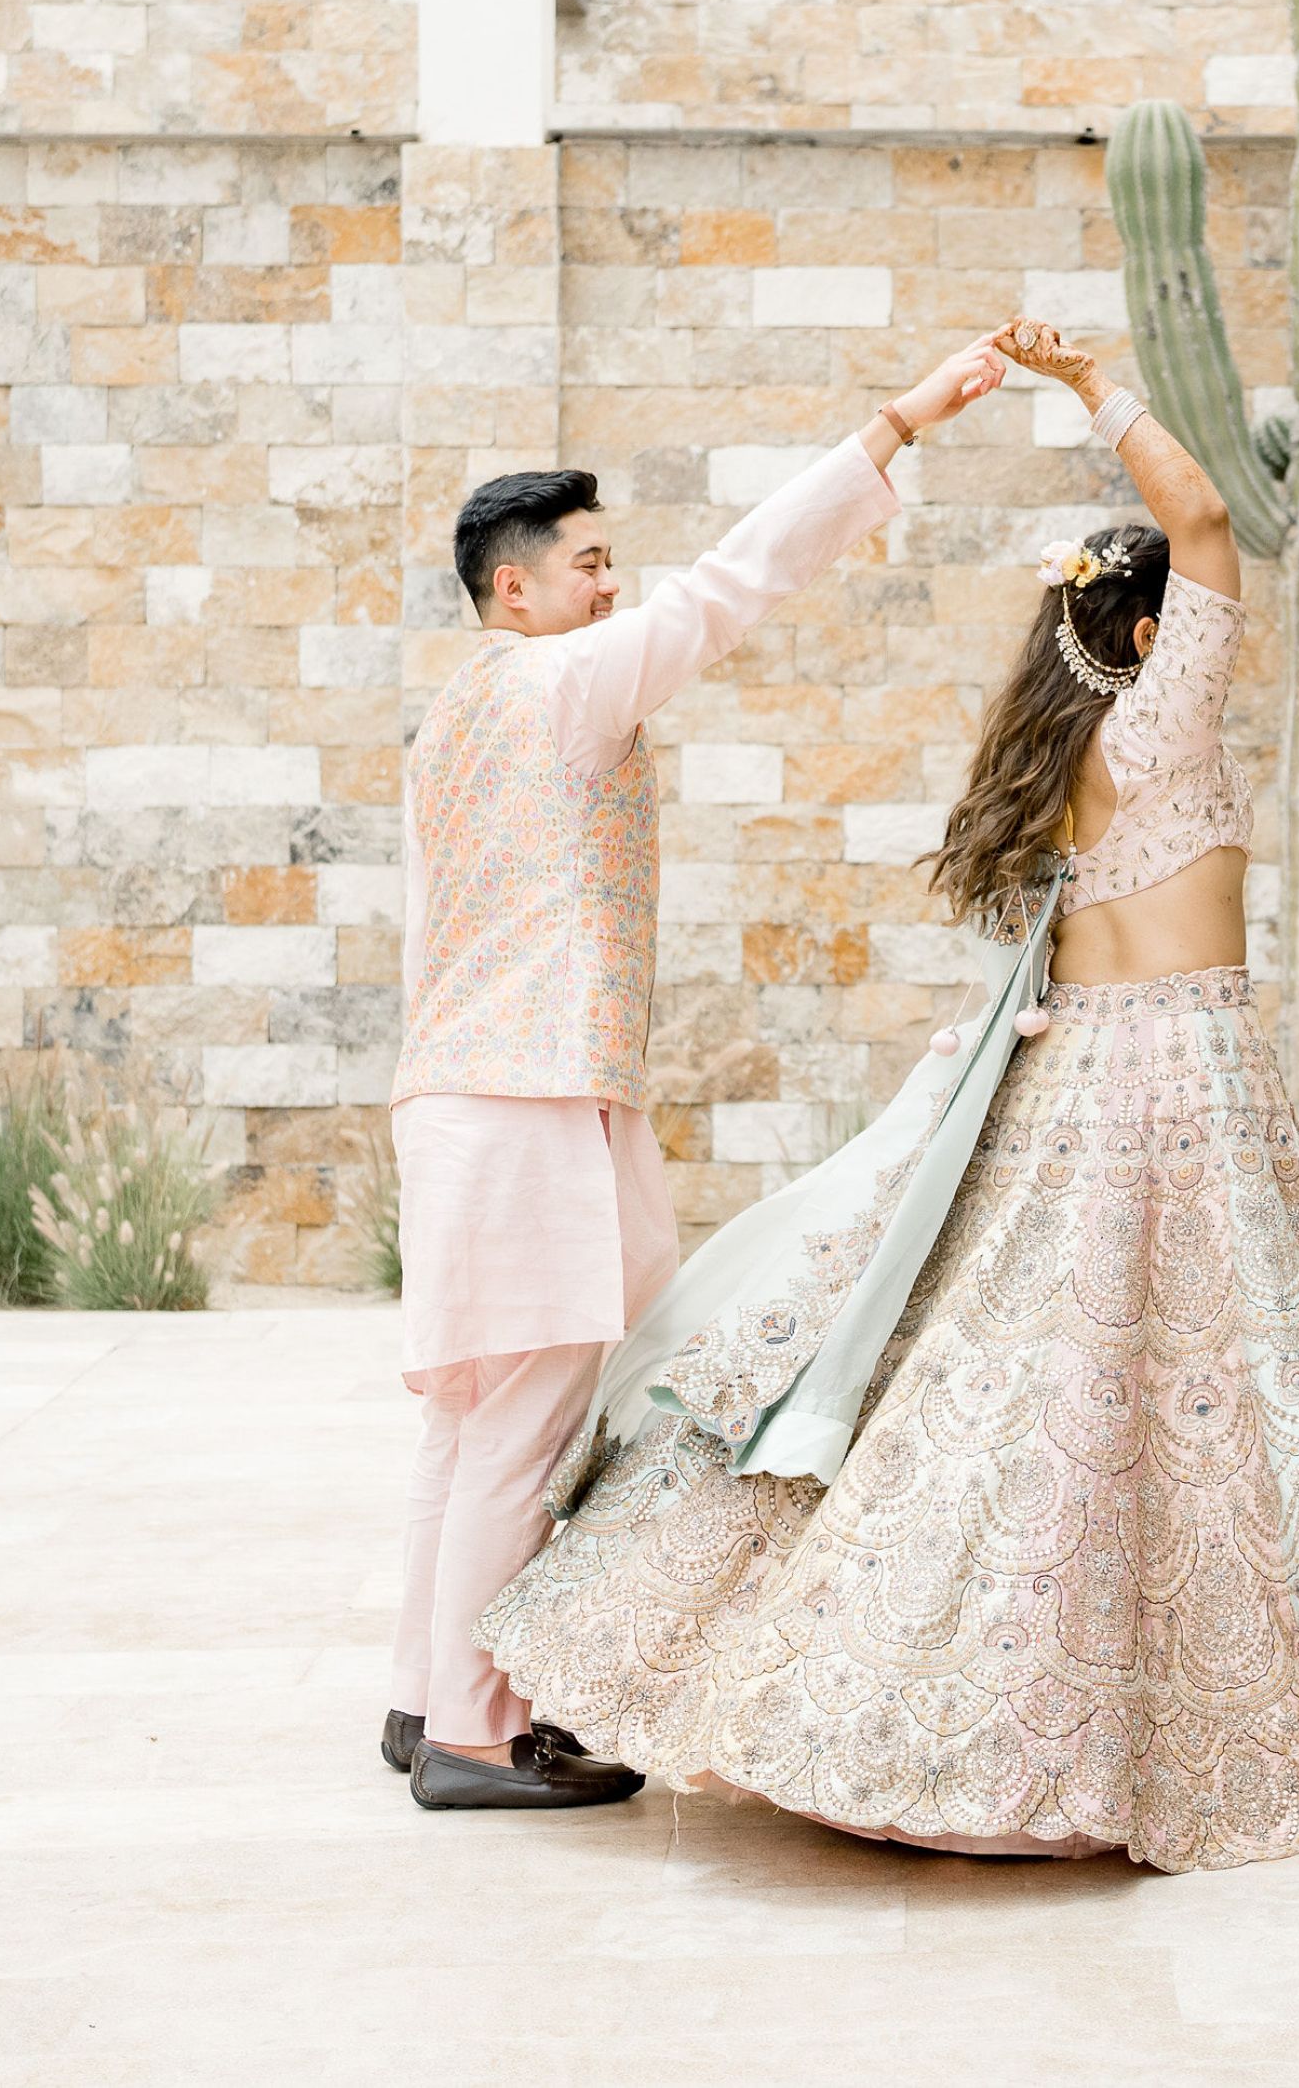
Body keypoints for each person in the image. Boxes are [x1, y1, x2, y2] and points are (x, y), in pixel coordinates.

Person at [474, 318, 1299, 1871]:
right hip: (1192, 1083)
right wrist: (1094, 384)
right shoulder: (1165, 717)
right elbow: (1202, 516)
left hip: (1078, 1082)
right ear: (1146, 640)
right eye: (1195, 619)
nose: (1220, 624)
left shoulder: (1065, 764)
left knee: (1041, 1396)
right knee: (1232, 1395)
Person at [384, 334, 1006, 1812]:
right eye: (588, 563)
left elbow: (424, 929)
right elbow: (734, 583)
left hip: (458, 1095)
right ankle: (476, 1737)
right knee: (526, 1417)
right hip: (529, 1100)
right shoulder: (566, 686)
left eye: (612, 564)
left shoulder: (447, 722)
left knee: (469, 1415)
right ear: (512, 587)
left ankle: (423, 1698)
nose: (613, 586)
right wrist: (896, 426)